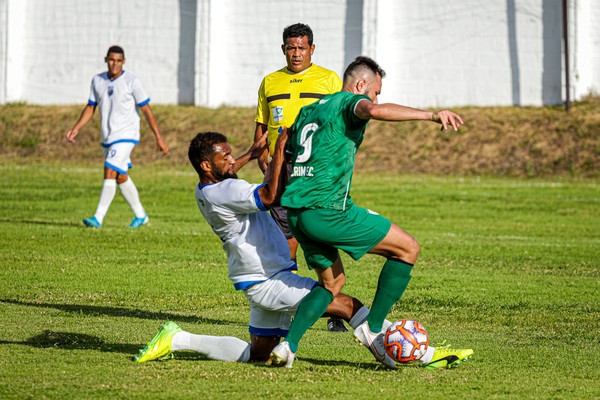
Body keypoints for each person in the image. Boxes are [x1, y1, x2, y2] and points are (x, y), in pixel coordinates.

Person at [270, 56, 474, 369]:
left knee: (331, 286)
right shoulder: (350, 102)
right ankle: (374, 327)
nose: (374, 98)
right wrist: (432, 115)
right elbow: (374, 111)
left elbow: (283, 145)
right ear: (362, 84)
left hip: (297, 212)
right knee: (408, 248)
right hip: (327, 210)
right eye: (375, 91)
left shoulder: (311, 110)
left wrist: (273, 189)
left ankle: (288, 346)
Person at [133, 130, 386, 365]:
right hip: (269, 279)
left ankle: (178, 339)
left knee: (259, 354)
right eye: (226, 157)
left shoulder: (205, 190)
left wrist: (252, 154)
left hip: (256, 276)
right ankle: (400, 344)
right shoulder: (227, 190)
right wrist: (279, 154)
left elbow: (228, 173)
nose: (232, 160)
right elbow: (268, 196)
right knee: (345, 305)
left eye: (231, 154)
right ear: (206, 166)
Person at [253, 22, 346, 332]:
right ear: (283, 49)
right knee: (285, 239)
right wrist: (263, 156)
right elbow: (262, 125)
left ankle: (337, 308)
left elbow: (341, 123)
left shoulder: (329, 80)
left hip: (316, 170)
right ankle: (289, 305)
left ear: (312, 49)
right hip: (281, 168)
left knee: (321, 237)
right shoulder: (270, 82)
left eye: (302, 48)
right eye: (291, 48)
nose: (296, 53)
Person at [66, 45, 168, 229]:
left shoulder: (132, 81)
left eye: (119, 60)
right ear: (106, 59)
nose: (115, 64)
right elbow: (91, 107)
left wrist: (158, 137)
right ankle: (141, 215)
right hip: (108, 137)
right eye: (111, 60)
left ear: (124, 62)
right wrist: (76, 128)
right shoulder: (97, 80)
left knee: (109, 170)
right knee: (121, 176)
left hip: (127, 135)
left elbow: (146, 109)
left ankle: (98, 218)